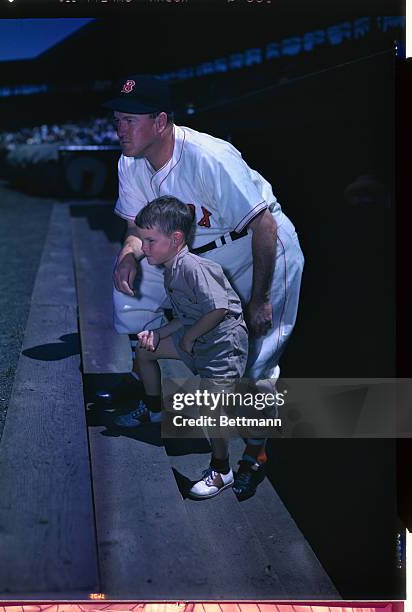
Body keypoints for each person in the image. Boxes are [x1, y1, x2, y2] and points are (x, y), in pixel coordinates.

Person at [103, 74, 304, 498]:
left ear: (160, 122)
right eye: (117, 119)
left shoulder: (209, 155)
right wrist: (128, 256)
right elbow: (138, 231)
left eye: (129, 120)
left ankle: (255, 455)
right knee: (141, 315)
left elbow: (263, 226)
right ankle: (156, 398)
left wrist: (260, 299)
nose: (120, 129)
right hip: (203, 259)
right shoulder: (130, 162)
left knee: (255, 368)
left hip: (261, 251)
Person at [123, 196, 249, 500]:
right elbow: (185, 315)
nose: (145, 248)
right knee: (144, 351)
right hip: (197, 336)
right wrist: (157, 333)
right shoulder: (172, 268)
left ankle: (222, 470)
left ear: (176, 238)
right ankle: (155, 410)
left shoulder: (193, 267)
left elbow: (218, 309)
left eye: (150, 241)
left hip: (222, 344)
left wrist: (189, 339)